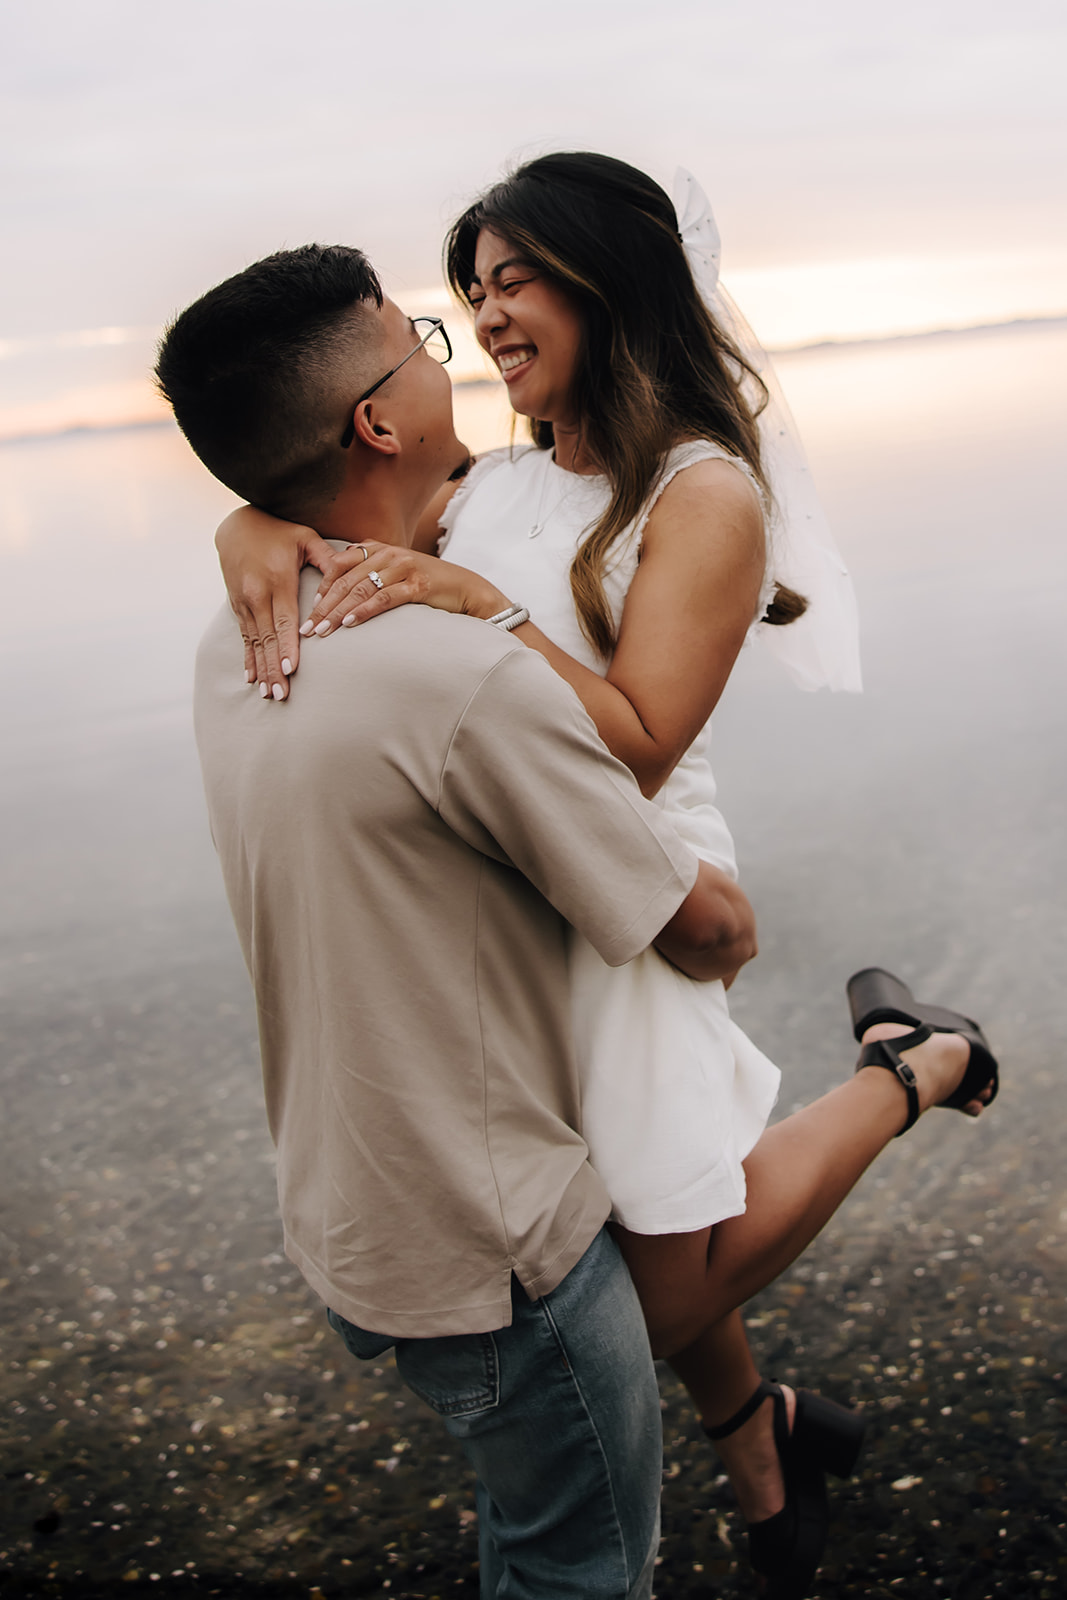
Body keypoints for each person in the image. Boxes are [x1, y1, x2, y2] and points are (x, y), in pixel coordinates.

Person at [210, 155, 999, 1600]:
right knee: (635, 1203)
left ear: (608, 284)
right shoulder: (491, 480)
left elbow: (632, 745)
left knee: (654, 1263)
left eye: (515, 280)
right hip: (525, 876)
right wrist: (247, 527)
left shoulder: (703, 495)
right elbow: (346, 496)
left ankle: (912, 1066)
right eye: (472, 291)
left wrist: (486, 611)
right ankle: (765, 1450)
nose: (489, 315)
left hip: (635, 876)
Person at [158, 240, 762, 1598]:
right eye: (426, 339)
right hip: (499, 1253)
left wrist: (247, 519)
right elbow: (707, 931)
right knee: (581, 1571)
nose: (460, 348)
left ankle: (766, 1437)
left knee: (530, 1530)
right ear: (379, 417)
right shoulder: (460, 674)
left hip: (352, 1212)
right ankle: (919, 1067)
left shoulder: (240, 631)